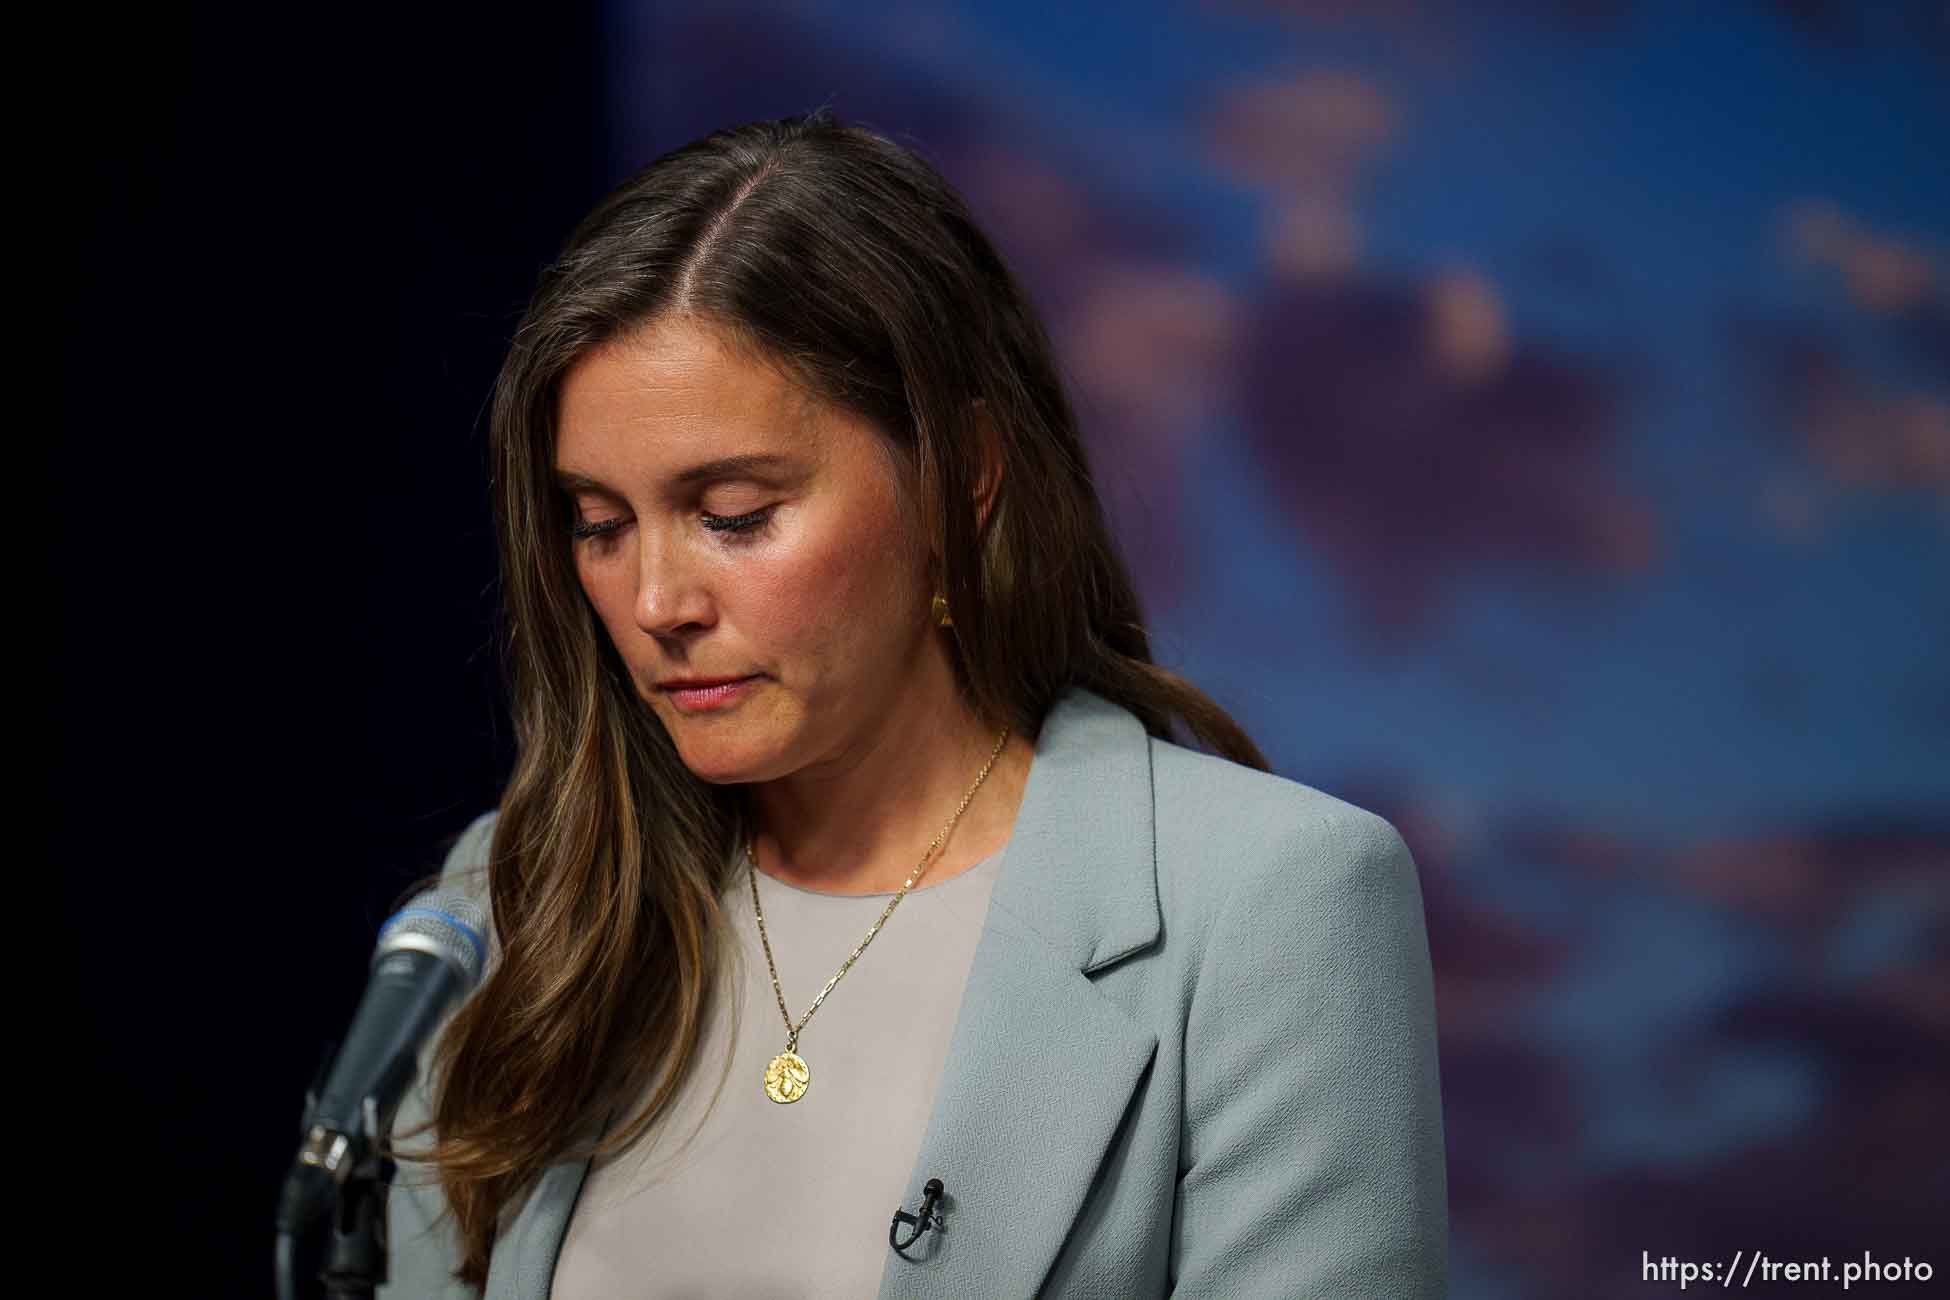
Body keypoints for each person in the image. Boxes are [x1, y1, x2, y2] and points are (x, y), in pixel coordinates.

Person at [376, 109, 1447, 1299]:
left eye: (732, 512)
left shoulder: (1267, 905)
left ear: (960, 477)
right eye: (600, 525)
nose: (656, 599)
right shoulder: (503, 905)